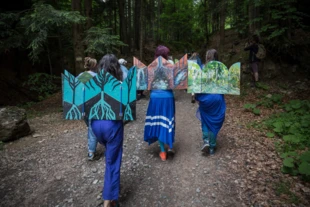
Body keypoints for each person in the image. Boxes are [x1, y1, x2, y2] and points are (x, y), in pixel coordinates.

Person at [91, 54, 125, 207]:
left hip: (96, 126)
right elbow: (125, 111)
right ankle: (109, 200)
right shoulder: (119, 84)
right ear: (116, 68)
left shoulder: (93, 83)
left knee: (109, 158)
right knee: (112, 162)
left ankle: (110, 193)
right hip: (112, 126)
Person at [144, 45, 175, 161]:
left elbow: (147, 86)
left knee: (158, 121)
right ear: (165, 55)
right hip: (167, 97)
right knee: (168, 120)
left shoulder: (151, 67)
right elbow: (175, 84)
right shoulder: (170, 67)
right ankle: (170, 146)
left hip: (155, 97)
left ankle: (162, 151)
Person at [195, 49, 226, 155]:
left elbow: (197, 84)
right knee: (214, 121)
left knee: (205, 120)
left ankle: (206, 141)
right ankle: (212, 147)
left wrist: (196, 96)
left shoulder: (203, 68)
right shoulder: (221, 69)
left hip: (205, 98)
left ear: (207, 57)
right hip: (217, 98)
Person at [77, 57, 98, 161]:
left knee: (89, 125)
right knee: (92, 126)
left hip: (83, 105)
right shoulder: (96, 76)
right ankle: (91, 151)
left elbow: (76, 90)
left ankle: (92, 147)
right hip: (94, 104)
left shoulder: (81, 76)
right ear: (94, 65)